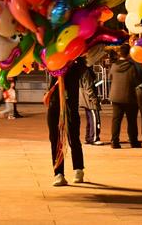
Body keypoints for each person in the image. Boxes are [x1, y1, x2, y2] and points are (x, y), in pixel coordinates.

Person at [47, 57, 86, 186]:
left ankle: (78, 169)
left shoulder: (76, 65)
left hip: (70, 107)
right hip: (55, 106)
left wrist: (70, 62)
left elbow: (82, 65)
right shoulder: (53, 63)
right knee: (56, 140)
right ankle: (58, 173)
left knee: (74, 138)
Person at [109, 44, 141, 149]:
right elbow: (136, 80)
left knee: (116, 120)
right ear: (129, 54)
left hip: (115, 97)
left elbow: (110, 77)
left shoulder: (114, 66)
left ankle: (114, 141)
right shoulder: (131, 66)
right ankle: (133, 141)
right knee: (131, 121)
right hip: (129, 97)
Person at [79, 65, 103, 145]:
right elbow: (88, 87)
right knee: (94, 118)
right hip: (89, 98)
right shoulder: (86, 71)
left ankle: (89, 137)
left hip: (85, 97)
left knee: (90, 118)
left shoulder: (82, 69)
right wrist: (93, 98)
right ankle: (94, 138)